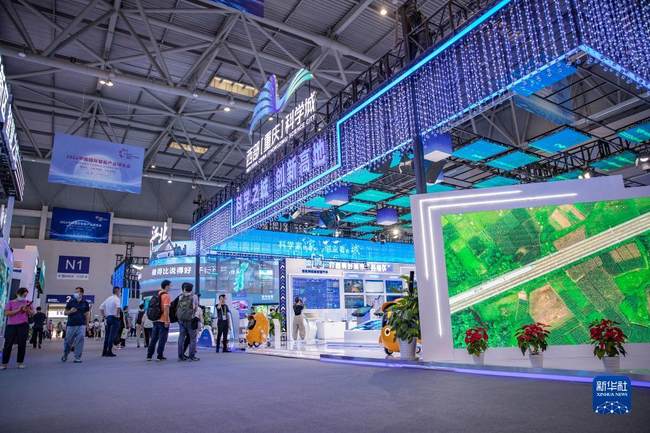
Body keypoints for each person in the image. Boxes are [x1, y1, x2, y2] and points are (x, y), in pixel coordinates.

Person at [1, 287, 34, 369]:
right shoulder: (10, 302)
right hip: (11, 325)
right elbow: (6, 313)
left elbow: (32, 313)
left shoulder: (27, 302)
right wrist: (18, 310)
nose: (24, 297)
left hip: (23, 325)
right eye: (23, 295)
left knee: (22, 344)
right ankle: (4, 363)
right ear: (18, 294)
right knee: (8, 344)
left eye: (25, 295)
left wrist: (27, 310)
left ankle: (20, 362)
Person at [61, 287, 91, 363]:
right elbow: (65, 312)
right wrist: (70, 311)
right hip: (71, 324)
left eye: (77, 292)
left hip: (81, 325)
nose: (76, 293)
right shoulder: (71, 301)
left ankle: (77, 357)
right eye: (75, 292)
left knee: (80, 340)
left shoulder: (85, 303)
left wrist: (87, 325)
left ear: (82, 293)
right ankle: (65, 354)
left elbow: (87, 314)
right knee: (68, 341)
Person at [147, 280, 171, 361]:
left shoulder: (157, 294)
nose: (170, 287)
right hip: (163, 320)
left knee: (153, 339)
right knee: (162, 339)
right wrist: (167, 321)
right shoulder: (166, 296)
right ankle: (159, 355)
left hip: (155, 319)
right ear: (166, 286)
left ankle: (149, 355)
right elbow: (166, 309)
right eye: (170, 286)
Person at [176, 282, 200, 362]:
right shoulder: (194, 296)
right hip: (190, 319)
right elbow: (196, 308)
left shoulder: (180, 296)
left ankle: (180, 356)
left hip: (181, 320)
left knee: (181, 338)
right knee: (192, 338)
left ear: (185, 289)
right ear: (191, 289)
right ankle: (191, 356)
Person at [99, 286, 122, 357]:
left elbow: (101, 307)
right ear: (117, 291)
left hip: (108, 318)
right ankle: (109, 351)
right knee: (112, 336)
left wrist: (104, 316)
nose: (120, 293)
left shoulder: (108, 299)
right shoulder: (117, 299)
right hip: (114, 318)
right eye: (119, 291)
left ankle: (104, 352)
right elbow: (118, 307)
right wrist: (117, 315)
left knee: (107, 336)